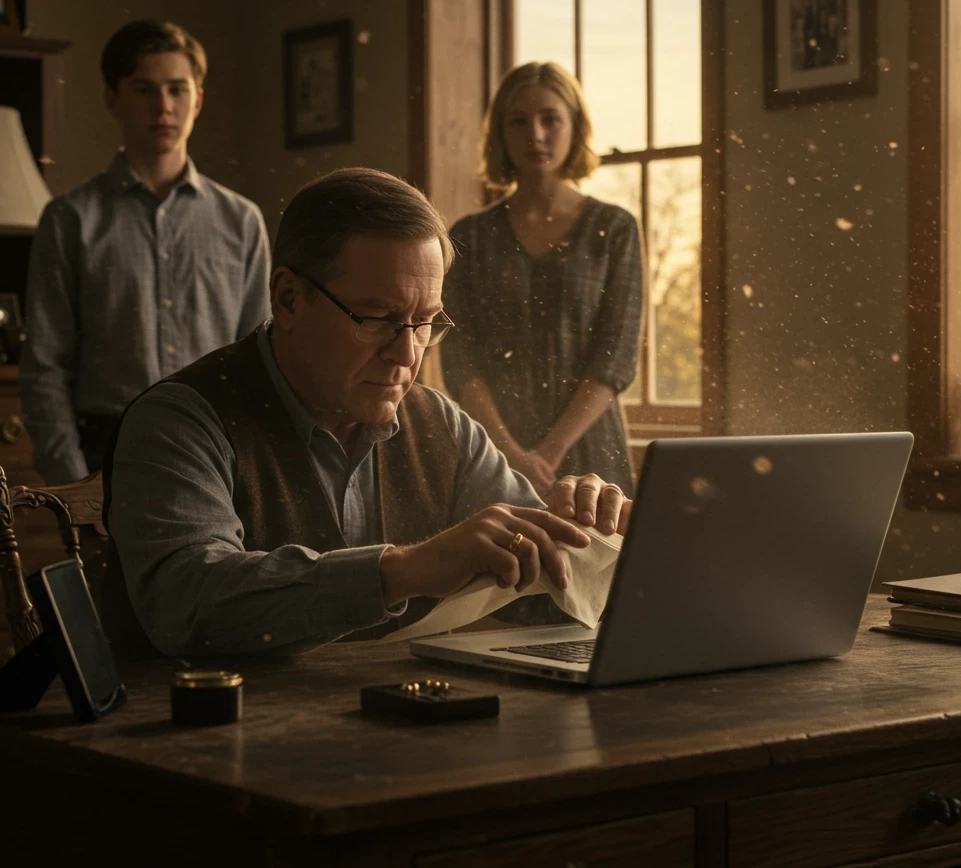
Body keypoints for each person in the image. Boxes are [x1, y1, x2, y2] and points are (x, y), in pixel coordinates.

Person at [102, 168, 633, 659]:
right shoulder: (179, 421)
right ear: (287, 298)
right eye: (378, 318)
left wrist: (601, 535)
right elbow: (187, 605)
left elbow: (543, 568)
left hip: (396, 737)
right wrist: (402, 571)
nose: (407, 355)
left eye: (425, 322)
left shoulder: (441, 426)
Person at [21, 20, 271, 485]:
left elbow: (259, 360)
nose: (163, 106)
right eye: (144, 89)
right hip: (106, 448)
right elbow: (45, 363)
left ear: (197, 99)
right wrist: (73, 483)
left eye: (178, 89)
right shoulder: (70, 219)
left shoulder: (241, 222)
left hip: (219, 447)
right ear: (112, 99)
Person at [440, 62, 643, 504]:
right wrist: (510, 452)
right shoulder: (469, 237)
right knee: (501, 569)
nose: (536, 134)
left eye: (550, 118)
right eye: (519, 121)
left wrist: (546, 454)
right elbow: (459, 357)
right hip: (492, 450)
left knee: (600, 568)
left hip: (591, 447)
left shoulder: (614, 228)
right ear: (500, 134)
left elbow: (615, 356)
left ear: (575, 126)